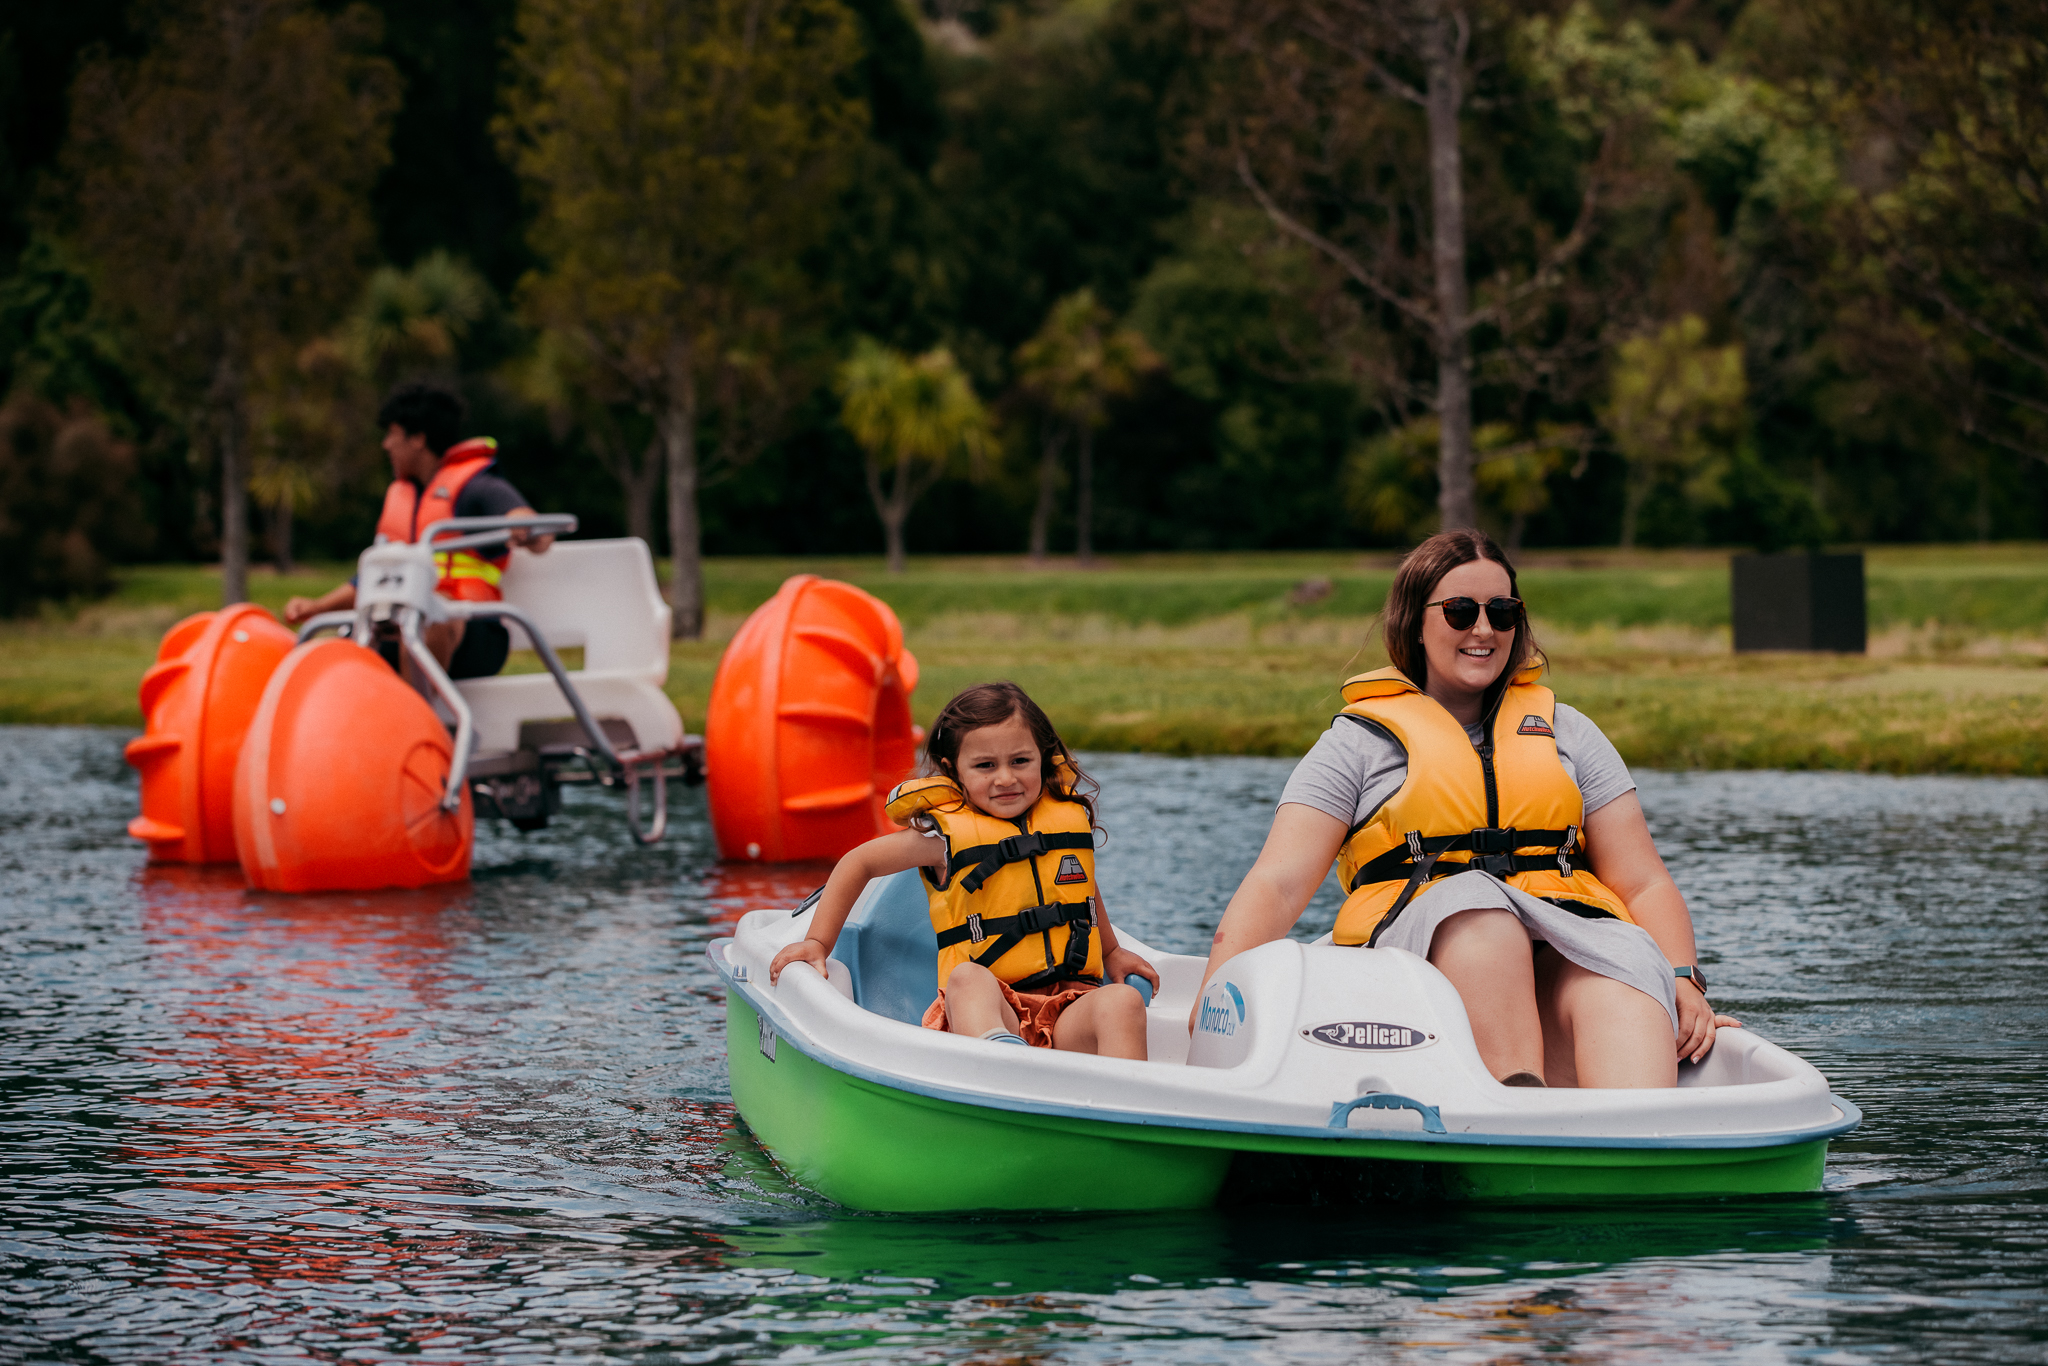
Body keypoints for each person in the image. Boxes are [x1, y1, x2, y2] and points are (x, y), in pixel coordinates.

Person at [1194, 529, 1739, 1088]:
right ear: (1416, 622)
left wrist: (1681, 979)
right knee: (1484, 919)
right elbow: (1278, 884)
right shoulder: (1356, 745)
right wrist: (1214, 1000)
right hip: (1426, 952)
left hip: (1568, 934)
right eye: (1460, 611)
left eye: (1501, 612)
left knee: (1623, 967)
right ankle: (1513, 1108)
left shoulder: (1569, 733)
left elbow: (1642, 880)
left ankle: (1641, 1142)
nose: (1483, 629)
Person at [770, 682, 1159, 1059]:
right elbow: (860, 862)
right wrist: (818, 943)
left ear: (1043, 756)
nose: (1005, 778)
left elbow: (1078, 889)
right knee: (967, 978)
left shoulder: (1062, 821)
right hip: (990, 1013)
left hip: (1069, 1005)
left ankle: (1127, 1110)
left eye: (1020, 761)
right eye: (985, 766)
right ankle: (1001, 1067)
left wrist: (1111, 951)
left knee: (1122, 1002)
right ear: (952, 769)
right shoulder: (942, 838)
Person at [283, 383, 554, 679]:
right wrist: (316, 607)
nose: (386, 445)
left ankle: (415, 720)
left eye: (392, 435)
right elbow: (372, 580)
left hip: (473, 632)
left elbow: (531, 527)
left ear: (418, 439)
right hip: (399, 624)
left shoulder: (477, 487)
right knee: (336, 654)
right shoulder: (400, 498)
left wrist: (526, 528)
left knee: (427, 618)